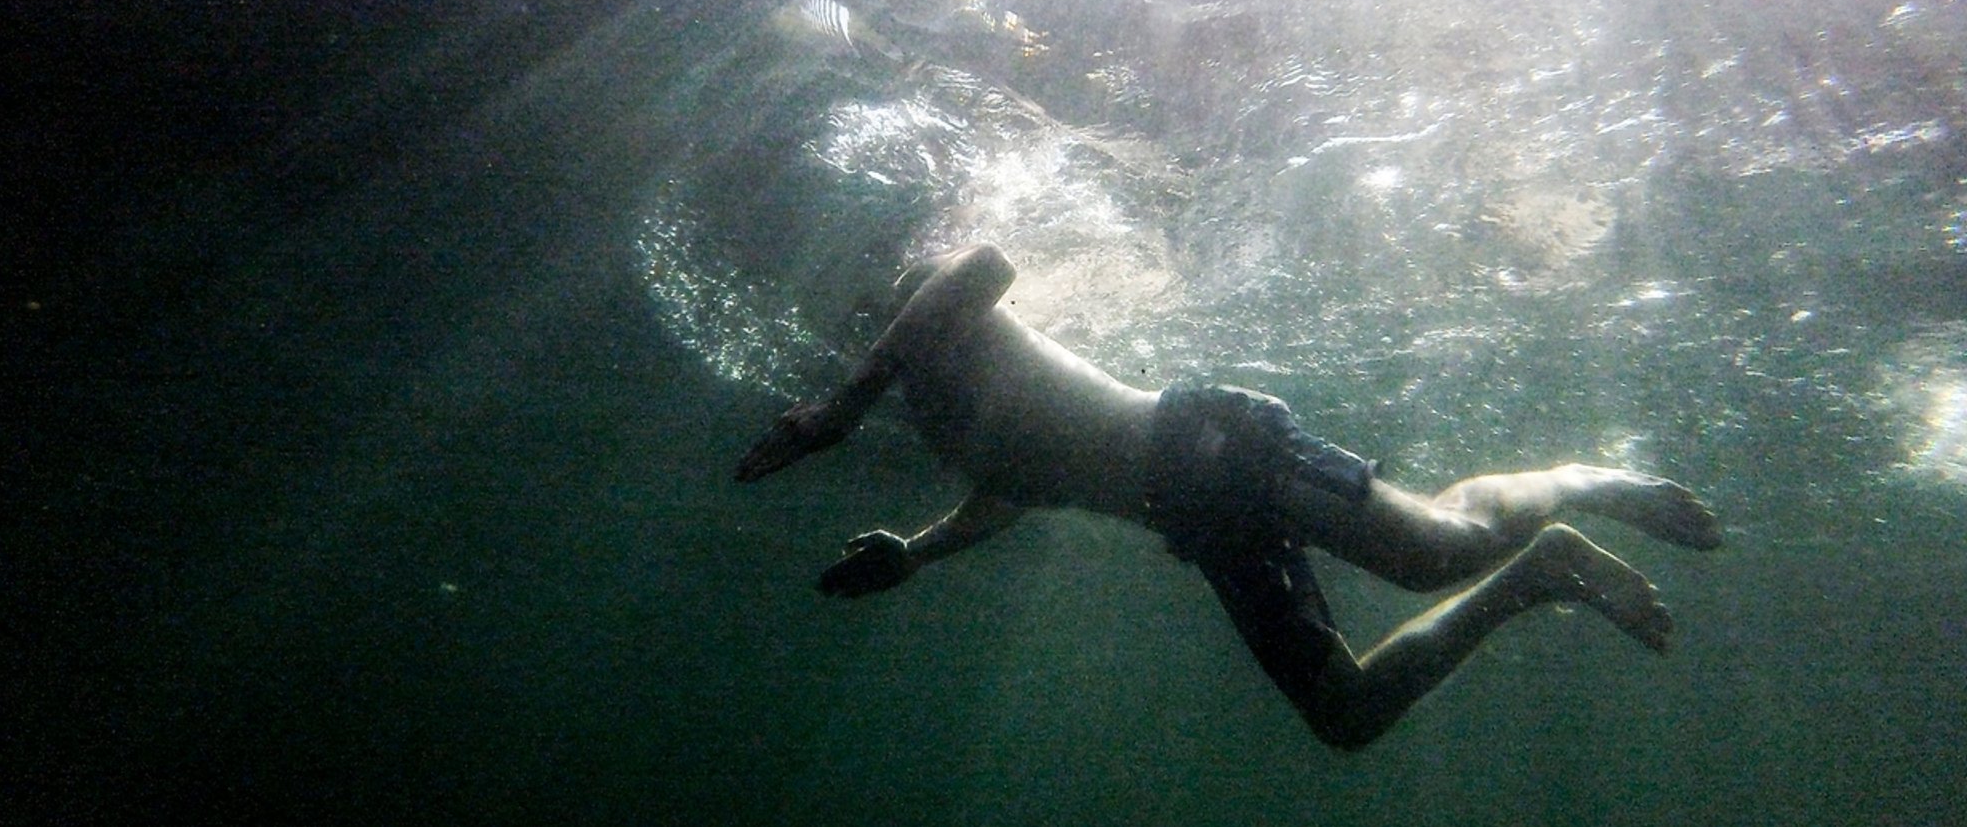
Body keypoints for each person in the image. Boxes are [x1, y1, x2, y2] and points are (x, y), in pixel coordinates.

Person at [736, 243, 1721, 749]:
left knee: (1439, 549)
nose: (842, 326)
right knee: (1342, 712)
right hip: (1199, 520)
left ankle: (1590, 477)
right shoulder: (938, 413)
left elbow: (988, 261)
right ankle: (1541, 570)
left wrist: (840, 408)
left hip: (1215, 439)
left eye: (848, 309)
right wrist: (912, 551)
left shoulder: (927, 302)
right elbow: (1009, 488)